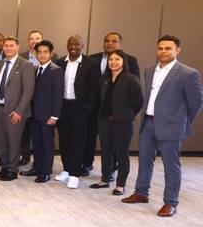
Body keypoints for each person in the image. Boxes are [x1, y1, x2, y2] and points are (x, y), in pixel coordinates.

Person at [123, 36, 203, 217]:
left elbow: (197, 102)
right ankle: (141, 193)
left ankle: (171, 202)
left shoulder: (188, 73)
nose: (163, 51)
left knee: (170, 165)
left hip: (172, 126)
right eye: (160, 48)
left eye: (168, 48)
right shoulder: (150, 71)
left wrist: (181, 120)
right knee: (144, 160)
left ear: (177, 50)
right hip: (148, 123)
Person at [87, 31, 141, 176]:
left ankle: (118, 178)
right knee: (103, 147)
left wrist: (127, 112)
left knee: (120, 150)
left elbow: (137, 99)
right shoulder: (94, 60)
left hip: (121, 117)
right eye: (107, 40)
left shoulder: (131, 63)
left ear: (119, 44)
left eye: (113, 40)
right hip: (99, 113)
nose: (109, 43)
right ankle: (99, 173)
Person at [53, 35, 98, 189]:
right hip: (63, 106)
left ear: (82, 45)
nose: (73, 46)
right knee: (64, 140)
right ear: (67, 45)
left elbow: (94, 89)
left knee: (78, 141)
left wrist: (88, 108)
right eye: (70, 43)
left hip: (81, 109)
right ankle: (66, 170)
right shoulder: (59, 62)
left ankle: (75, 174)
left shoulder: (91, 64)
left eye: (77, 44)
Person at [0, 37, 35, 182]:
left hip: (15, 111)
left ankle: (12, 169)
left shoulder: (25, 65)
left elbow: (28, 91)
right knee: (1, 141)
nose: (8, 48)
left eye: (11, 46)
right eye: (6, 46)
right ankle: (5, 166)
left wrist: (19, 111)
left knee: (14, 142)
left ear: (18, 47)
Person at [21, 40, 63, 183]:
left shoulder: (56, 70)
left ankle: (46, 172)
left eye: (45, 52)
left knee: (47, 144)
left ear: (51, 54)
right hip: (34, 114)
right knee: (37, 143)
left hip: (48, 116)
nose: (42, 55)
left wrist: (55, 116)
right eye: (39, 52)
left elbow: (58, 95)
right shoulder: (35, 69)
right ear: (35, 54)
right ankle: (36, 167)